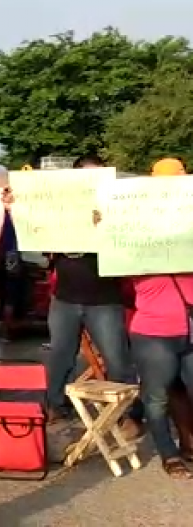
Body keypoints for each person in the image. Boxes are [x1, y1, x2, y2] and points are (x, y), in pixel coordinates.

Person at [103, 158, 193, 478]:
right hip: (154, 331)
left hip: (190, 328)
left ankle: (188, 444)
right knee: (156, 399)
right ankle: (169, 454)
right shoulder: (134, 228)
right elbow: (113, 257)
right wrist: (102, 225)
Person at [38, 155, 139, 433]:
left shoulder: (120, 208)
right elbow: (37, 241)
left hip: (105, 299)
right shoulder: (58, 210)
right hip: (65, 299)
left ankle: (125, 413)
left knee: (117, 358)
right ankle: (53, 405)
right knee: (60, 355)